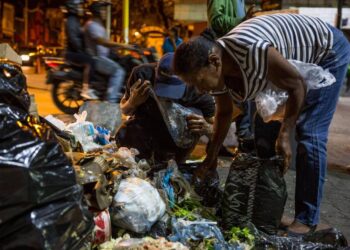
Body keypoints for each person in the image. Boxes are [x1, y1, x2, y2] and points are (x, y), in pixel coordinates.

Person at [173, 14, 350, 235]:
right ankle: (271, 211)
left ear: (214, 62)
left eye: (199, 81)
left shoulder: (252, 50)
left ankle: (307, 219)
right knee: (264, 135)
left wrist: (285, 133)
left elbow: (296, 86)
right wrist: (211, 157)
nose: (199, 90)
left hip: (327, 50)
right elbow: (225, 113)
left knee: (309, 132)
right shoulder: (216, 68)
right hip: (291, 64)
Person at [115, 53, 215, 163]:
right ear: (156, 69)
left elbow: (216, 130)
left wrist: (207, 128)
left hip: (177, 141)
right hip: (144, 132)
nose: (166, 96)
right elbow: (125, 110)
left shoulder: (199, 89)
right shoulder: (142, 75)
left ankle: (175, 160)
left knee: (170, 171)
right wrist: (132, 102)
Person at [208, 0, 256, 150]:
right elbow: (215, 20)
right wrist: (243, 21)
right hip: (228, 53)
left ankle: (219, 142)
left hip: (237, 52)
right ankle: (240, 137)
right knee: (235, 98)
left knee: (240, 97)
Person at [84, 0, 129, 102]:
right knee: (119, 71)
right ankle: (111, 100)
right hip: (97, 59)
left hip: (104, 57)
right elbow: (102, 42)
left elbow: (107, 44)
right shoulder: (91, 25)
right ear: (97, 11)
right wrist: (123, 45)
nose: (105, 12)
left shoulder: (99, 26)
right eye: (103, 10)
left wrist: (118, 49)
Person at [64, 0, 92, 96]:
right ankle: (85, 88)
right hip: (72, 53)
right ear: (73, 7)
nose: (81, 8)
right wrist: (82, 50)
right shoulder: (71, 20)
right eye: (79, 6)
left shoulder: (75, 20)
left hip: (75, 51)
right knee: (90, 61)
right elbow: (73, 39)